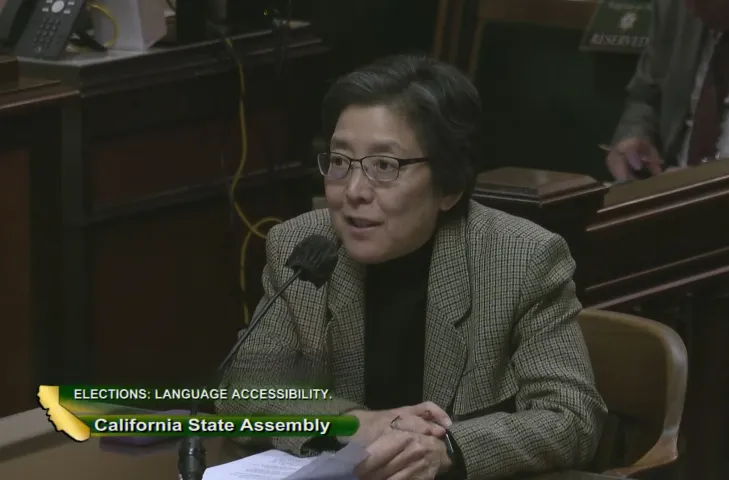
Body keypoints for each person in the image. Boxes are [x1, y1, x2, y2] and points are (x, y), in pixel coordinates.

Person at [217, 53, 606, 480]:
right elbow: (244, 391)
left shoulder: (521, 258)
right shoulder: (302, 247)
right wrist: (355, 424)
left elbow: (570, 416)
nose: (355, 191)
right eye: (340, 162)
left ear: (450, 184)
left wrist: (447, 450)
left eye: (385, 166)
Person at [606, 0, 729, 181]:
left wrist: (720, 177)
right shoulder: (674, 7)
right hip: (669, 185)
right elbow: (645, 96)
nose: (692, 11)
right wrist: (634, 137)